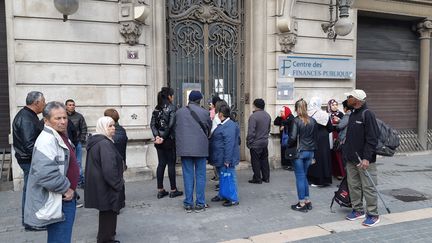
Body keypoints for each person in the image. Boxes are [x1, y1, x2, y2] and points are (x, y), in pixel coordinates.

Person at [24, 101, 79, 242]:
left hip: (64, 198)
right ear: (46, 121)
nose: (63, 122)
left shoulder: (60, 135)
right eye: (57, 118)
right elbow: (45, 172)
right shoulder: (47, 140)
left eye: (64, 118)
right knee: (60, 239)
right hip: (60, 198)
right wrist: (66, 189)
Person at [342, 89, 380, 227]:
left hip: (365, 160)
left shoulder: (367, 114)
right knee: (354, 186)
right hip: (352, 159)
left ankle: (373, 214)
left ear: (357, 100)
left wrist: (366, 158)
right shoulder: (352, 114)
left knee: (368, 187)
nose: (347, 99)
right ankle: (358, 210)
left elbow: (372, 138)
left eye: (349, 97)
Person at [85, 117, 125, 243]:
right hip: (106, 185)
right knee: (108, 211)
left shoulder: (100, 141)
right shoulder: (104, 144)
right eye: (109, 126)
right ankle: (106, 239)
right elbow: (109, 168)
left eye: (113, 125)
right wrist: (118, 184)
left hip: (101, 183)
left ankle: (107, 237)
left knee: (107, 212)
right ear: (102, 127)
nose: (113, 128)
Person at [12, 91, 46, 231]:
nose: (45, 103)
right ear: (36, 103)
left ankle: (31, 220)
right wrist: (43, 160)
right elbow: (29, 144)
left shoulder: (29, 116)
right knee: (31, 191)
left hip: (28, 159)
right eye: (43, 101)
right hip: (29, 160)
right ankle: (30, 222)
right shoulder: (26, 118)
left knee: (32, 190)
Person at [175, 90, 212, 213]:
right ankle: (200, 203)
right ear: (199, 100)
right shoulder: (205, 113)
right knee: (201, 176)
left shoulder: (179, 113)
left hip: (185, 149)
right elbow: (209, 128)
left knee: (188, 175)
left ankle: (188, 203)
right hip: (200, 148)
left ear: (189, 99)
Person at [150, 87, 183, 199]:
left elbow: (152, 125)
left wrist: (157, 136)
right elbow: (171, 124)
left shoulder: (156, 108)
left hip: (159, 141)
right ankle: (173, 190)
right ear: (169, 96)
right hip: (168, 140)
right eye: (172, 95)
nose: (173, 97)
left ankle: (160, 190)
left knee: (161, 164)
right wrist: (163, 137)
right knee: (171, 164)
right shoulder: (172, 108)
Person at [288, 99, 317, 212]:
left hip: (299, 152)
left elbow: (293, 137)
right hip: (310, 151)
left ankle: (301, 203)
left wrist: (288, 144)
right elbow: (316, 138)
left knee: (300, 177)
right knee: (304, 176)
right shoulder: (313, 121)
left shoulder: (296, 121)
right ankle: (307, 200)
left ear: (296, 108)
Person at [209, 105, 241, 206]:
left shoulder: (229, 125)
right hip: (221, 157)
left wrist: (227, 160)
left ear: (220, 114)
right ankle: (222, 194)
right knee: (223, 177)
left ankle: (233, 198)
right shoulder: (224, 124)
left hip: (226, 158)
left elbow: (229, 143)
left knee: (229, 177)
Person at [307, 96, 333, 187]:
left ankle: (314, 179)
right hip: (323, 138)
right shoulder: (324, 114)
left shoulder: (307, 114)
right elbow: (330, 128)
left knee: (314, 158)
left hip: (312, 138)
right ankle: (325, 179)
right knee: (324, 158)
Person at [246, 98, 271, 184]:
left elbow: (251, 132)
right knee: (264, 160)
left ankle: (257, 178)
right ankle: (266, 177)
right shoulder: (268, 116)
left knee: (255, 161)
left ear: (255, 106)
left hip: (255, 143)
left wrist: (249, 142)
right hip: (264, 142)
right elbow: (268, 129)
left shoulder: (253, 117)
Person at [65, 99, 88, 188]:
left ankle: (80, 181)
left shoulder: (79, 116)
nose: (71, 106)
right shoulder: (63, 116)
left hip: (77, 143)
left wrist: (81, 140)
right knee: (67, 162)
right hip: (66, 143)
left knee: (78, 162)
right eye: (70, 105)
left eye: (73, 105)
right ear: (66, 106)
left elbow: (84, 128)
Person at [327, 99, 345, 180]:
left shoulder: (340, 114)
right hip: (329, 135)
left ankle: (340, 172)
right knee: (331, 154)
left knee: (338, 153)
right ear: (329, 106)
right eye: (333, 105)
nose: (335, 106)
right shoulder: (327, 114)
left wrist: (339, 121)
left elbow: (344, 124)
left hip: (337, 135)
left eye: (336, 105)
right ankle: (332, 172)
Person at [273, 106, 295, 171]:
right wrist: (279, 116)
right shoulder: (282, 118)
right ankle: (285, 164)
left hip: (289, 138)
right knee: (284, 151)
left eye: (282, 111)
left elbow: (288, 122)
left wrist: (283, 125)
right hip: (283, 138)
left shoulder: (291, 117)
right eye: (281, 111)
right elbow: (275, 122)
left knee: (290, 151)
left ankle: (291, 165)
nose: (281, 112)